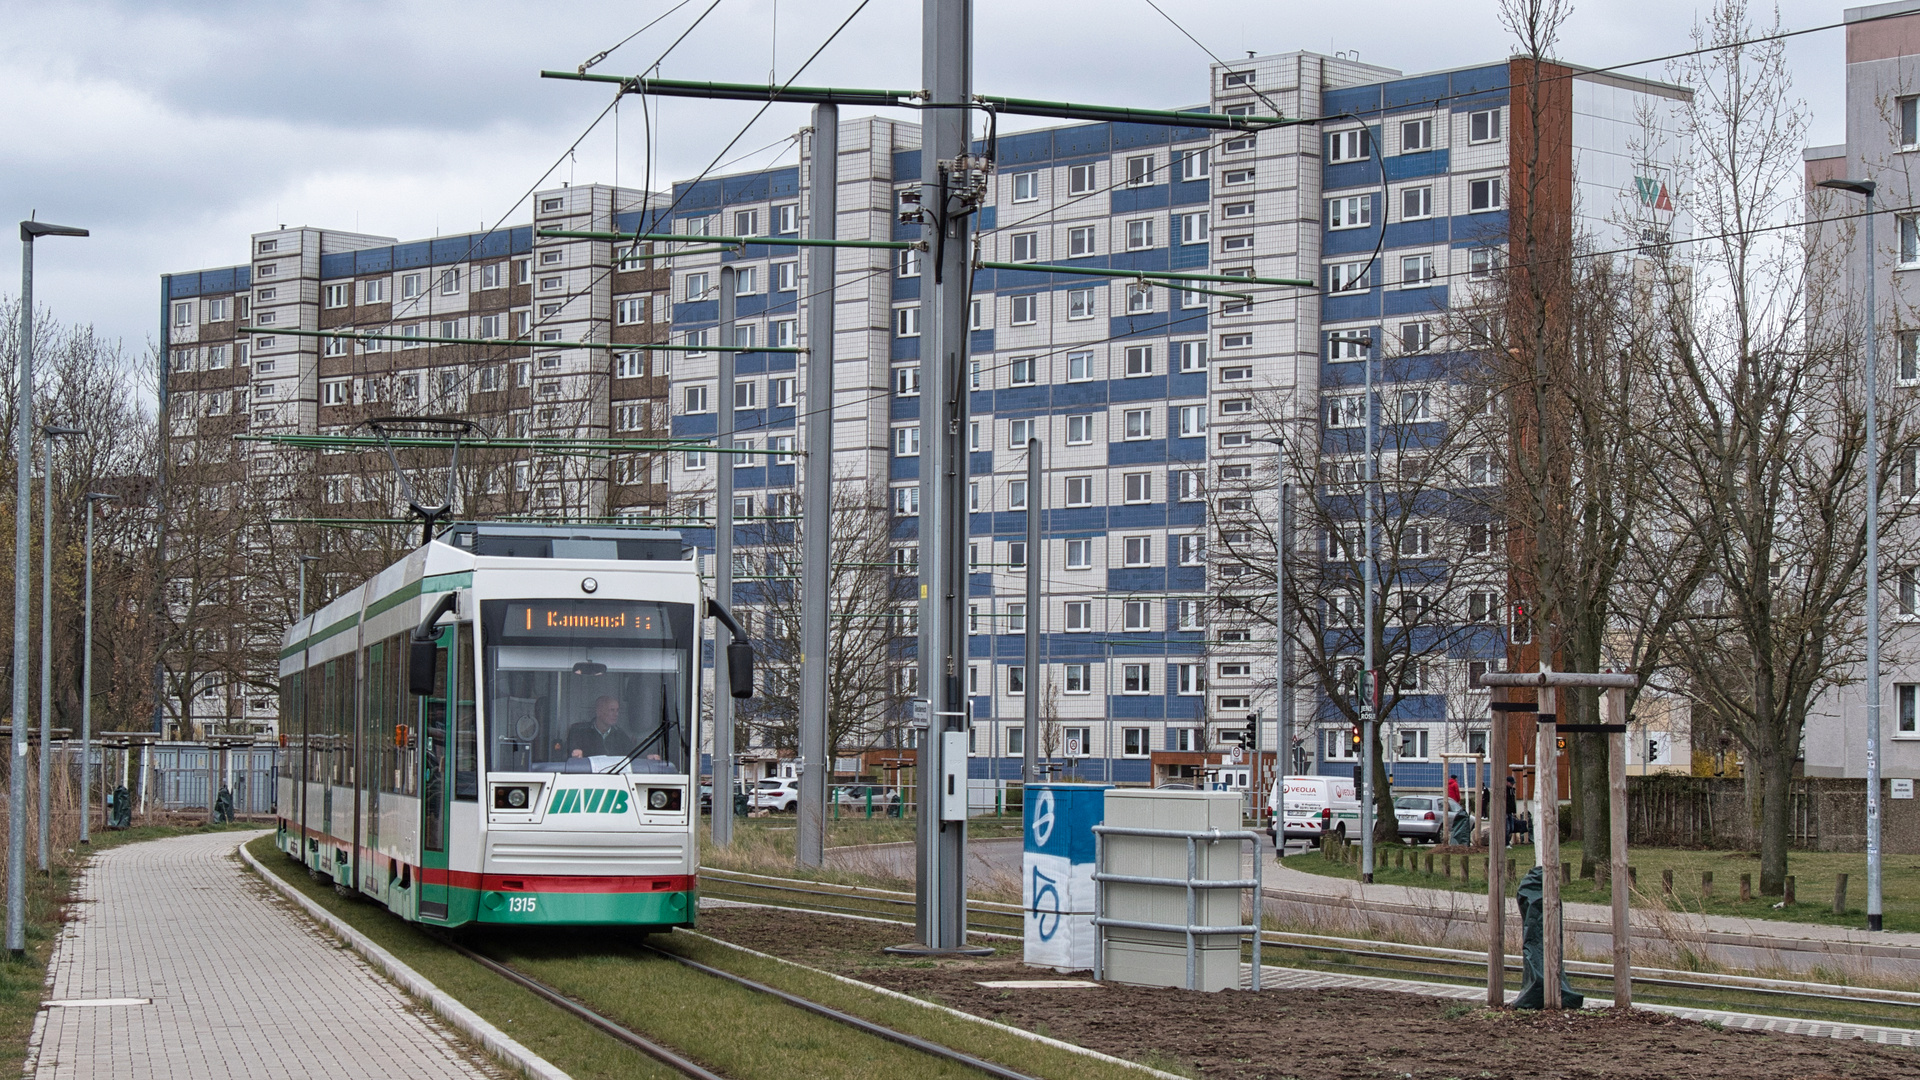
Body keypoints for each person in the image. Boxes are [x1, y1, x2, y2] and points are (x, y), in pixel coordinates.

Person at [565, 696, 638, 759]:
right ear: (599, 711)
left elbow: (634, 756)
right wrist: (575, 753)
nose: (616, 714)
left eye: (617, 710)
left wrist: (648, 755)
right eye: (612, 710)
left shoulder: (620, 734)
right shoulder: (579, 731)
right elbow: (566, 755)